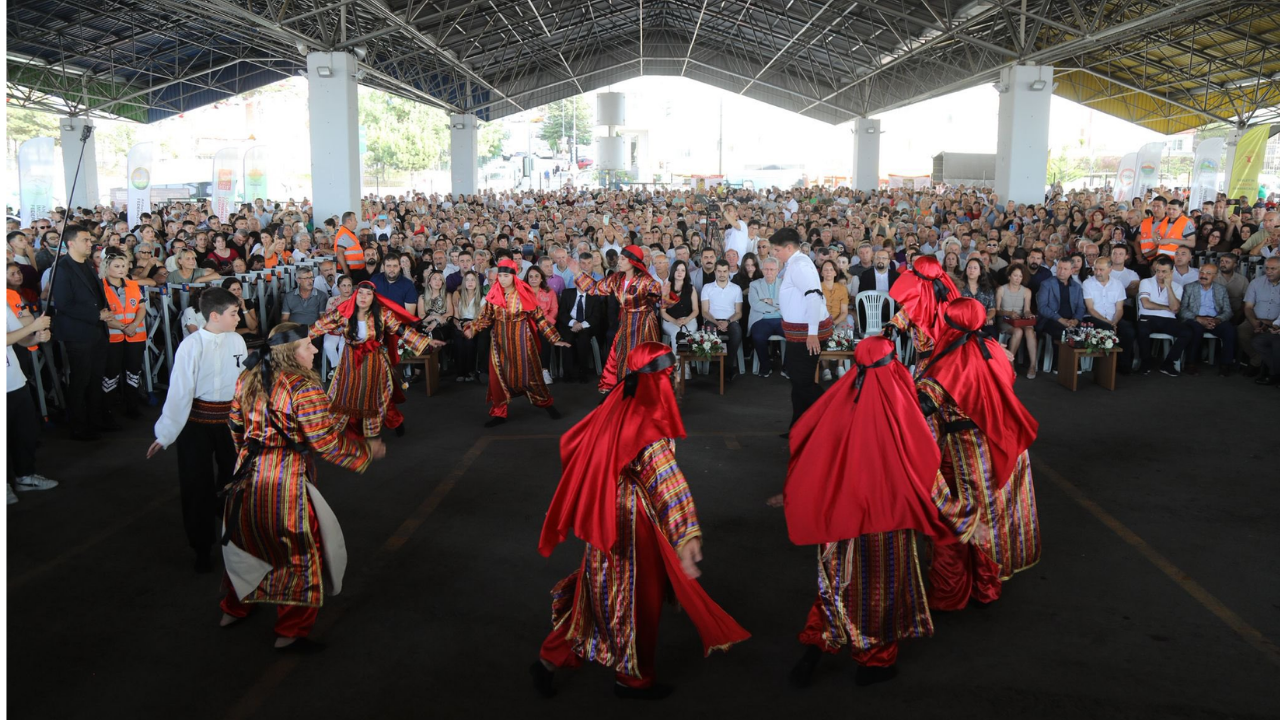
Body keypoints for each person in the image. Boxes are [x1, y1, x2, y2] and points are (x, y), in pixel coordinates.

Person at [533, 342, 749, 699]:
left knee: (597, 592)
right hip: (631, 520)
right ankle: (632, 680)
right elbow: (665, 479)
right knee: (637, 601)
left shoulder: (620, 399)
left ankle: (550, 659)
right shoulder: (647, 414)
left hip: (605, 513)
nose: (672, 377)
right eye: (668, 372)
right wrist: (686, 533)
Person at [780, 337, 981, 687]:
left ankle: (818, 644)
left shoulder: (840, 402)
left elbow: (809, 450)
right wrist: (960, 517)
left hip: (838, 524)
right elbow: (925, 471)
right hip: (884, 526)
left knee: (834, 584)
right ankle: (874, 663)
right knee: (879, 592)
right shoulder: (899, 415)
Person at [218, 323, 386, 652]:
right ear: (291, 352)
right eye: (308, 345)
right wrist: (366, 450)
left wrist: (246, 454)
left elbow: (235, 426)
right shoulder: (302, 386)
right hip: (285, 478)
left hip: (247, 472)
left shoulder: (247, 378)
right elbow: (323, 442)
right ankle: (290, 631)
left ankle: (234, 609)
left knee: (246, 542)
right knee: (300, 550)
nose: (314, 350)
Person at [917, 298, 1041, 609]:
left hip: (971, 451)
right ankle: (990, 583)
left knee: (970, 516)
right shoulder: (995, 349)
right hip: (1005, 440)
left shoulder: (950, 362)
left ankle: (969, 588)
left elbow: (923, 407)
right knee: (1000, 513)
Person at [147, 288, 248, 573]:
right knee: (195, 485)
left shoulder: (237, 341)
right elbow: (180, 392)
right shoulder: (191, 345)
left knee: (234, 478)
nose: (238, 317)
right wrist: (165, 433)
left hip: (229, 422)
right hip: (195, 425)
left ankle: (235, 534)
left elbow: (241, 383)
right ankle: (201, 546)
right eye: (233, 313)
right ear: (215, 316)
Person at [309, 281, 441, 438]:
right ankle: (356, 430)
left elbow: (400, 330)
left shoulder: (382, 313)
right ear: (355, 295)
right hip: (350, 359)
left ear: (374, 297)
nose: (364, 297)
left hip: (374, 360)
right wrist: (292, 338)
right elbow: (318, 326)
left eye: (368, 294)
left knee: (378, 395)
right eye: (361, 293)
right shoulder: (343, 312)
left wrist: (425, 341)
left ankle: (394, 422)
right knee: (349, 394)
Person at [464, 259, 570, 427]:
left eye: (506, 275)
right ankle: (500, 413)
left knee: (531, 375)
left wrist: (554, 338)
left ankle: (547, 404)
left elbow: (539, 317)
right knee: (498, 379)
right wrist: (473, 328)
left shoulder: (524, 293)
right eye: (500, 276)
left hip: (522, 340)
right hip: (499, 342)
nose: (503, 279)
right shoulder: (494, 293)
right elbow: (486, 317)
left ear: (514, 275)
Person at [568, 245, 665, 394]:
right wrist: (577, 273)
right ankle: (625, 388)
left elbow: (663, 302)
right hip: (626, 321)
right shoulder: (617, 278)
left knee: (640, 355)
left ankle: (644, 390)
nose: (619, 261)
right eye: (619, 258)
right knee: (622, 353)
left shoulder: (646, 280)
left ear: (633, 261)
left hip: (644, 322)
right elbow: (595, 288)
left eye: (623, 258)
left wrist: (667, 294)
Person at [51, 224, 115, 441]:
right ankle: (78, 425)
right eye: (85, 240)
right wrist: (96, 315)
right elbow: (64, 303)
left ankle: (95, 420)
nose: (90, 244)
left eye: (90, 240)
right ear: (71, 243)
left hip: (97, 332)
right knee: (81, 380)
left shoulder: (88, 265)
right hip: (78, 334)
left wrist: (103, 312)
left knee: (96, 377)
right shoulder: (62, 268)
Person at [773, 228, 832, 431]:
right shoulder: (796, 263)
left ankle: (834, 413)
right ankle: (798, 427)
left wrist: (813, 334)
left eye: (776, 249)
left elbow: (814, 297)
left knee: (803, 382)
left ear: (789, 248)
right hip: (799, 332)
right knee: (798, 382)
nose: (774, 254)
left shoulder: (800, 266)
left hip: (806, 334)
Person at [7, 307, 57, 504]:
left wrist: (36, 338)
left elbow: (19, 338)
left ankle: (25, 477)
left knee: (24, 433)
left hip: (15, 382)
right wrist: (34, 326)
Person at [887, 255, 960, 367]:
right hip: (952, 365)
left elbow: (895, 326)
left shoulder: (915, 305)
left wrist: (880, 342)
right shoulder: (952, 297)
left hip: (927, 367)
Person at [100, 254, 148, 418]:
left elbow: (142, 308)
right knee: (111, 373)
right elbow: (103, 315)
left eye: (124, 265)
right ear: (107, 268)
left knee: (133, 372)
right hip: (113, 337)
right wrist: (123, 327)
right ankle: (107, 410)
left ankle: (132, 407)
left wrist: (133, 325)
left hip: (135, 335)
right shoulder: (101, 287)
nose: (122, 269)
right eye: (117, 266)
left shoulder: (133, 285)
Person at [1137, 256, 1193, 377]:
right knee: (1142, 330)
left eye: (1164, 271)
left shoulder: (1177, 287)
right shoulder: (1146, 282)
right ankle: (1145, 362)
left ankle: (1168, 363)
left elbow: (1175, 308)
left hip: (1168, 319)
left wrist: (1168, 286)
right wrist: (1166, 307)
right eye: (1158, 271)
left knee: (1187, 332)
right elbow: (1146, 304)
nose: (1160, 274)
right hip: (1148, 316)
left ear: (1171, 272)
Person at [1177, 262, 1235, 376]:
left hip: (1215, 319)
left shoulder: (1221, 289)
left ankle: (1225, 365)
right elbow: (1182, 310)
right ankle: (1190, 363)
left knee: (1229, 330)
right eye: (1202, 272)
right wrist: (1198, 318)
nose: (1203, 275)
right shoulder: (1189, 287)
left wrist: (1217, 320)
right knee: (1195, 329)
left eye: (1208, 273)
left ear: (1216, 276)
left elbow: (1228, 311)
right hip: (1195, 319)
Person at [1081, 257, 1136, 373]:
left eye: (1101, 269)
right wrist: (1109, 323)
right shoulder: (1087, 284)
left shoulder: (1118, 284)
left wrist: (1114, 321)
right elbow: (1090, 309)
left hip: (1113, 318)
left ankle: (1123, 364)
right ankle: (1104, 368)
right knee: (1107, 328)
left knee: (1129, 331)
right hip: (1095, 318)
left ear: (1110, 269)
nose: (1098, 273)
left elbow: (1119, 309)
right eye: (1095, 269)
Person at [701, 259, 744, 381]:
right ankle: (715, 366)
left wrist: (727, 322)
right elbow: (704, 311)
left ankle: (727, 366)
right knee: (710, 333)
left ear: (729, 271)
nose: (722, 274)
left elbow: (739, 312)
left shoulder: (736, 289)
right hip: (712, 320)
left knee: (737, 332)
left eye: (725, 271)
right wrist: (717, 322)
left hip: (730, 321)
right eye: (719, 271)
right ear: (715, 271)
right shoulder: (707, 287)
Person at [1238, 257, 1280, 376]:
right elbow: (1248, 307)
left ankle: (1261, 365)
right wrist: (1254, 322)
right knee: (1242, 331)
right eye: (1267, 268)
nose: (1269, 271)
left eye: (1273, 269)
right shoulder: (1256, 282)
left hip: (1276, 322)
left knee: (1272, 339)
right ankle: (1258, 359)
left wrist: (1274, 324)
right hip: (1256, 319)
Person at [1036, 258, 1086, 345]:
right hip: (1051, 320)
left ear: (1072, 271)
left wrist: (1075, 320)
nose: (1061, 271)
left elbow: (1081, 307)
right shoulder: (1046, 284)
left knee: (1086, 334)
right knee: (1065, 334)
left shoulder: (1076, 286)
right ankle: (1058, 358)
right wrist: (1060, 319)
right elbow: (1042, 307)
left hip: (1071, 321)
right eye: (1059, 268)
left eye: (1065, 269)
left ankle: (1075, 358)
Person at [747, 257, 784, 378]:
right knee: (757, 336)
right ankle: (765, 366)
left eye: (772, 269)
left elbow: (788, 303)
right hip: (761, 319)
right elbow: (755, 304)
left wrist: (769, 301)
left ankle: (788, 367)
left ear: (777, 270)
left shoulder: (785, 284)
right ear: (762, 270)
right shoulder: (754, 285)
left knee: (794, 335)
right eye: (766, 269)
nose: (769, 272)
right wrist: (776, 307)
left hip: (781, 319)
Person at [525, 266, 559, 386]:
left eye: (536, 276)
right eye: (530, 276)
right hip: (526, 323)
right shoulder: (522, 292)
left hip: (544, 323)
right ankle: (528, 373)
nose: (533, 279)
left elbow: (554, 310)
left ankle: (544, 371)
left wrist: (544, 322)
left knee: (544, 337)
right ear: (527, 278)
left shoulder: (549, 292)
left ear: (541, 279)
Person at [451, 271, 486, 382]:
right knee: (458, 341)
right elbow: (456, 316)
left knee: (469, 342)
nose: (470, 282)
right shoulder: (459, 296)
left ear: (476, 282)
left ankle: (470, 371)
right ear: (464, 282)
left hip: (474, 324)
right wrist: (458, 325)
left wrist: (471, 325)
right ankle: (460, 372)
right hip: (460, 322)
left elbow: (480, 317)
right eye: (467, 280)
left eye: (472, 280)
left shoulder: (482, 298)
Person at [322, 276, 353, 373]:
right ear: (338, 287)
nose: (346, 289)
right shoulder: (332, 300)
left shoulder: (355, 301)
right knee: (328, 345)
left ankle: (341, 371)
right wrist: (335, 327)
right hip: (333, 329)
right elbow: (328, 317)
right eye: (343, 285)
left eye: (349, 286)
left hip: (349, 329)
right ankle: (336, 368)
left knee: (343, 345)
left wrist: (343, 328)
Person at [958, 258, 995, 330]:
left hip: (983, 322)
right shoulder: (959, 288)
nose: (972, 270)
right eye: (969, 267)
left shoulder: (987, 289)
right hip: (964, 323)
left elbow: (992, 309)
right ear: (966, 270)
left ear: (980, 272)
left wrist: (986, 318)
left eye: (975, 268)